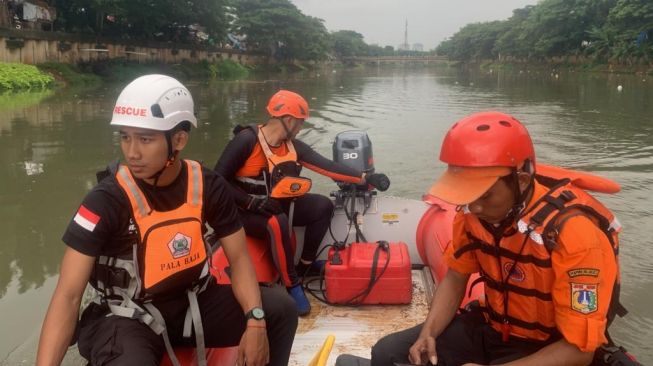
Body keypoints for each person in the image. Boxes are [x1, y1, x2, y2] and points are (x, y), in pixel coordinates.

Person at [36, 75, 297, 366]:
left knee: (279, 310)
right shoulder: (105, 200)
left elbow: (238, 259)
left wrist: (256, 321)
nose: (132, 152)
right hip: (128, 315)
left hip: (191, 302)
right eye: (125, 136)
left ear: (179, 140)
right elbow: (68, 295)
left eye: (145, 139)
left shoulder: (206, 185)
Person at [371, 111, 624, 366]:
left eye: (485, 195)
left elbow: (579, 352)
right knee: (388, 353)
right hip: (493, 329)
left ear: (522, 181)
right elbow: (456, 276)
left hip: (548, 348)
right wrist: (429, 333)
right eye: (467, 195)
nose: (475, 207)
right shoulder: (470, 216)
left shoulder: (575, 236)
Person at [215, 90, 390, 316]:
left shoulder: (293, 146)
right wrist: (250, 202)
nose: (300, 128)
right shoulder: (246, 141)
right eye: (300, 123)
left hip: (275, 206)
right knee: (277, 222)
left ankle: (304, 264)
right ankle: (293, 285)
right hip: (244, 211)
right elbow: (217, 180)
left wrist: (366, 179)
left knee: (322, 206)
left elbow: (328, 166)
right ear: (288, 120)